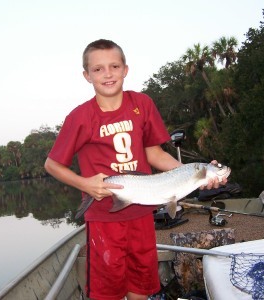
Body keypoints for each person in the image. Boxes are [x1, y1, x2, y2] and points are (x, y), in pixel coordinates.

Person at [44, 39, 227, 300]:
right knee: (107, 289)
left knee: (141, 284)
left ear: (125, 69)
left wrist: (195, 175)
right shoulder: (80, 117)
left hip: (143, 212)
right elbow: (52, 164)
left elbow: (154, 153)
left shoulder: (142, 103)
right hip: (104, 217)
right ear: (87, 75)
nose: (107, 73)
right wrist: (85, 185)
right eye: (98, 69)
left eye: (114, 66)